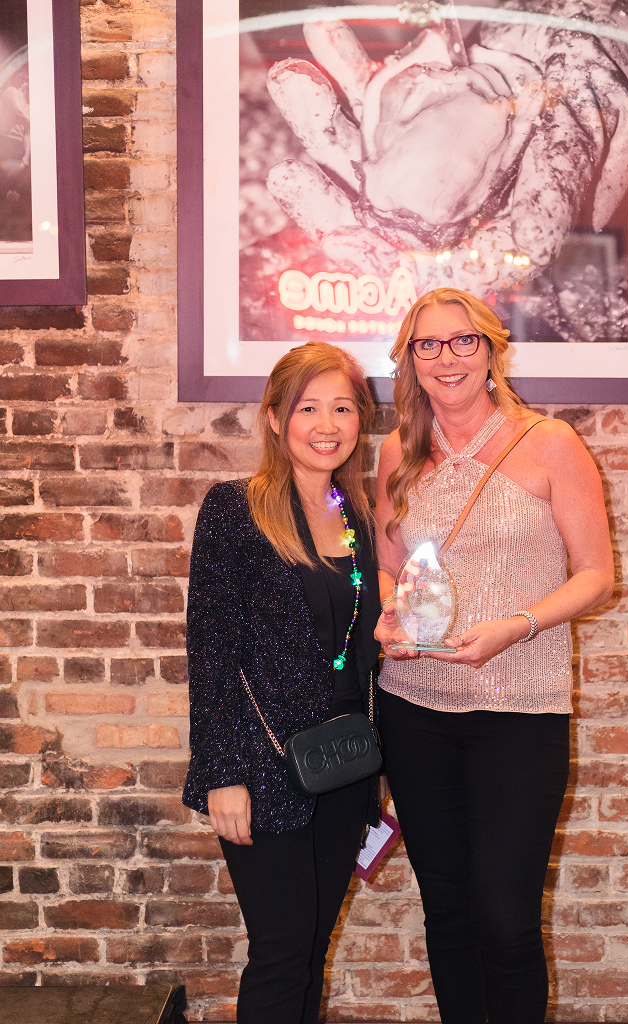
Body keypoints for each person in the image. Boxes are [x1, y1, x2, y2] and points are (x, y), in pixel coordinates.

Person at [374, 288, 614, 1024]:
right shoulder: (396, 451)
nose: (446, 358)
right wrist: (387, 611)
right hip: (414, 706)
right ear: (410, 362)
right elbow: (388, 561)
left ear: (490, 350)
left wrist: (517, 624)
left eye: (462, 341)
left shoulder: (550, 443)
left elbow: (597, 575)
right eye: (428, 345)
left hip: (519, 709)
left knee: (506, 918)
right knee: (445, 910)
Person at [182, 342, 382, 1024]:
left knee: (311, 953)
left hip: (343, 767)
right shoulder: (235, 509)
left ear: (361, 420)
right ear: (274, 418)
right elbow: (210, 652)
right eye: (307, 408)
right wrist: (221, 773)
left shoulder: (356, 519)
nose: (326, 423)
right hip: (261, 773)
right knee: (279, 951)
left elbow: (360, 652)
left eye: (343, 407)